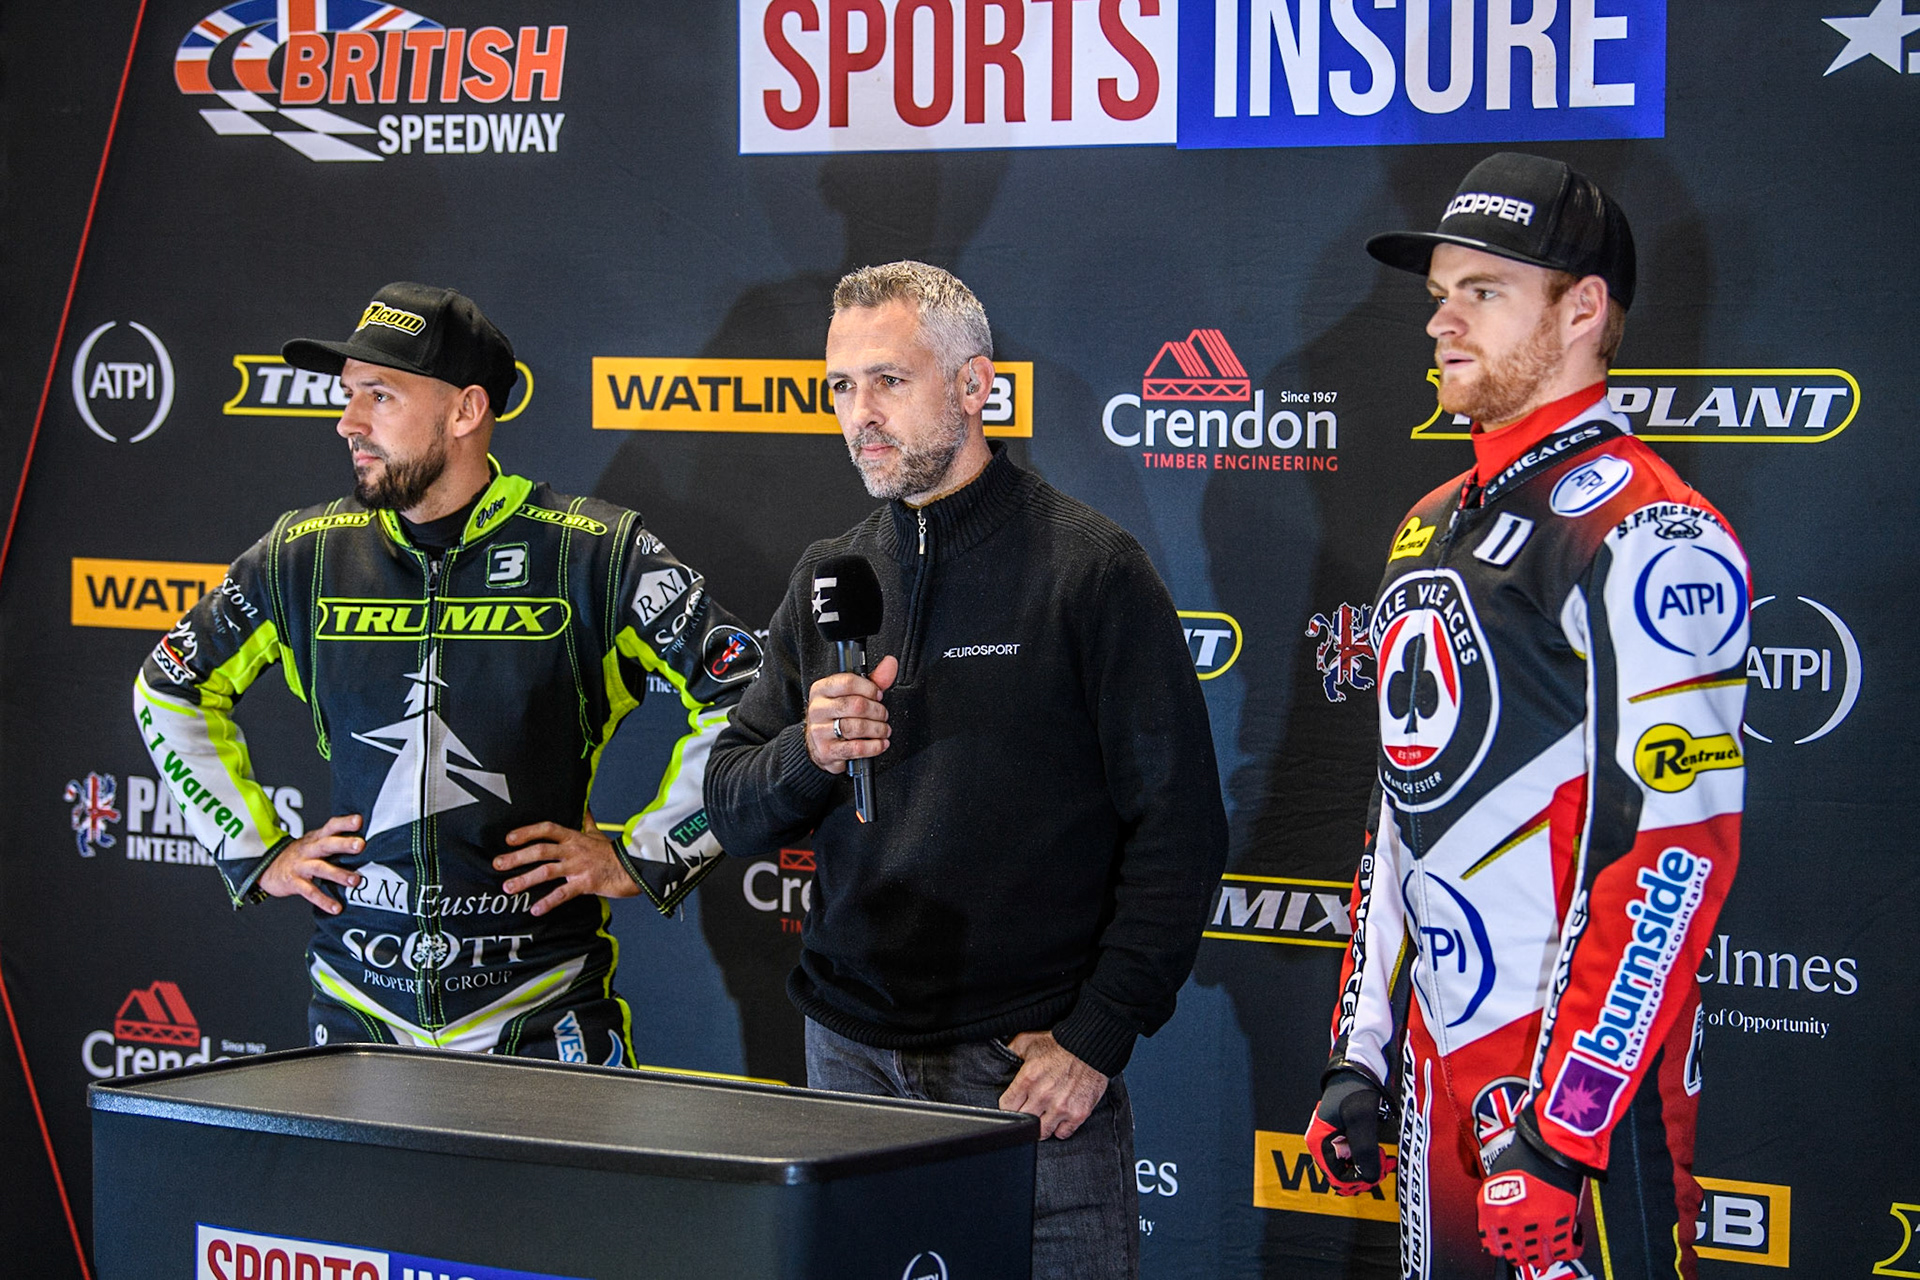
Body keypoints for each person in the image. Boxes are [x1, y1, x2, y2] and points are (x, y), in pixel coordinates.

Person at [703, 261, 1228, 1278]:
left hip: (1023, 1074)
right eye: (841, 386)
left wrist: (1098, 1034)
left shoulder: (1090, 569)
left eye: (889, 381)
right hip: (848, 1064)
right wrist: (810, 751)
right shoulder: (830, 575)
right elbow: (731, 803)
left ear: (975, 384)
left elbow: (1181, 827)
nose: (860, 414)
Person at [1305, 154, 1749, 1279]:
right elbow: (1403, 802)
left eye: (1484, 292)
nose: (1440, 322)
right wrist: (1361, 1049)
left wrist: (1569, 1123)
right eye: (1439, 294)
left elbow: (1675, 852)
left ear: (1583, 309)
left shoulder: (1653, 534)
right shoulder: (1426, 522)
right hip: (1440, 1070)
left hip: (1575, 1104)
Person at [133, 282, 761, 1061]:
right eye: (348, 395)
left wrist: (656, 849)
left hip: (540, 1006)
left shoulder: (590, 553)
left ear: (466, 411)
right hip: (358, 1008)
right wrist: (252, 848)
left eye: (380, 396)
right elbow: (169, 686)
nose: (348, 422)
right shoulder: (304, 557)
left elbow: (749, 694)